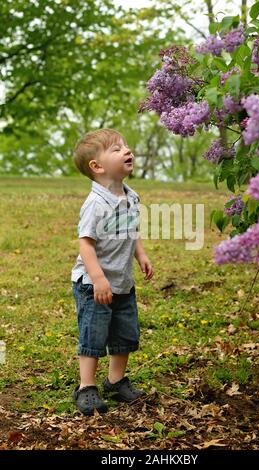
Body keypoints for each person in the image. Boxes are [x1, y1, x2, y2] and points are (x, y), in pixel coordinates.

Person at [71, 128, 153, 416]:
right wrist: (98, 278)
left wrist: (140, 254)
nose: (127, 151)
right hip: (94, 284)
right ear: (98, 166)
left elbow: (132, 231)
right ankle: (86, 387)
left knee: (124, 333)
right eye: (117, 149)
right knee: (93, 335)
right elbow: (86, 244)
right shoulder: (95, 204)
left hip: (122, 281)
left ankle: (116, 381)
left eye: (126, 146)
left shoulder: (131, 196)